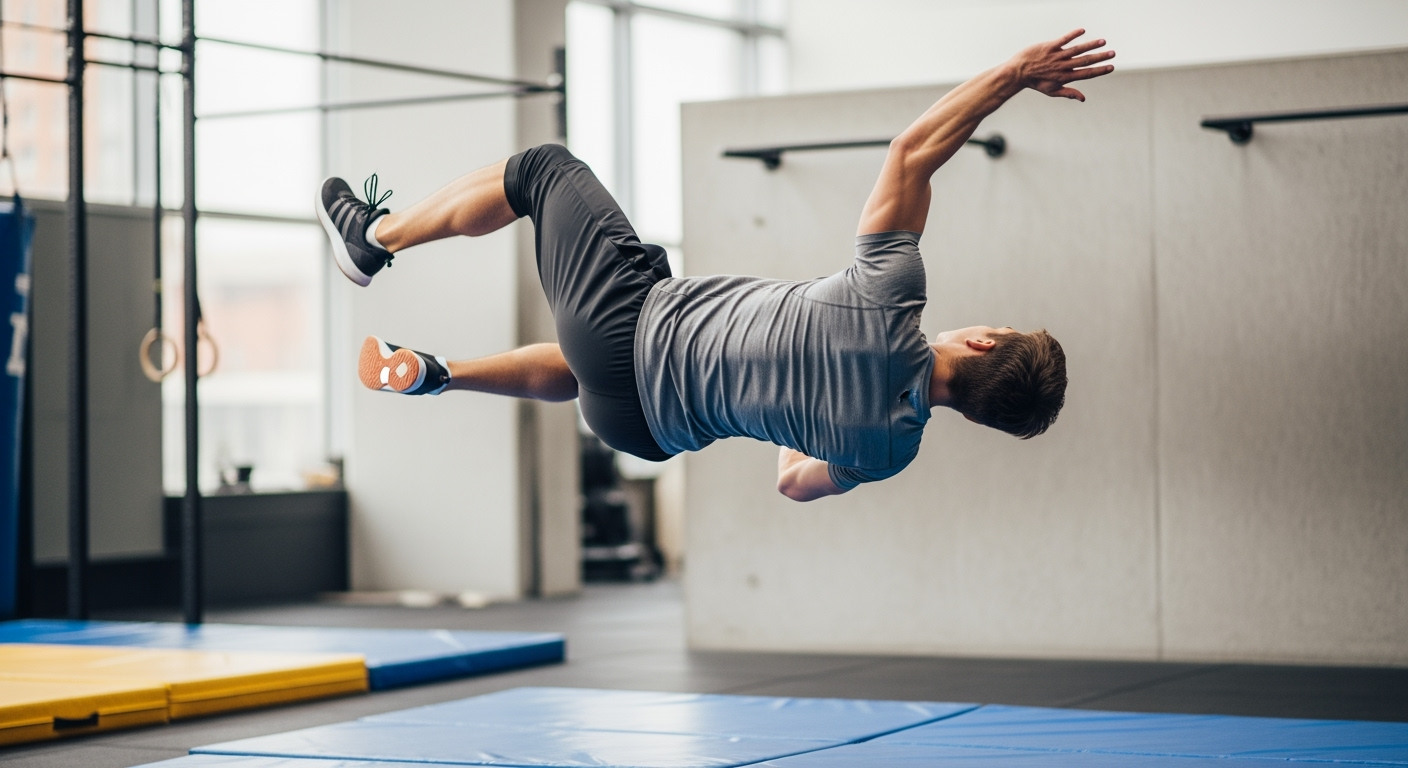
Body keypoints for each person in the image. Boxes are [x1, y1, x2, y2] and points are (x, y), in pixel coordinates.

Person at [315, 30, 1114, 502]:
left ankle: (373, 239)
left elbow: (913, 153)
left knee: (543, 168)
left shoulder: (890, 300)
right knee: (584, 371)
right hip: (643, 429)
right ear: (977, 413)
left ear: (980, 345)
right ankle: (436, 372)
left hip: (630, 322)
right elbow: (792, 483)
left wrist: (1012, 75)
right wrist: (789, 413)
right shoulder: (887, 453)